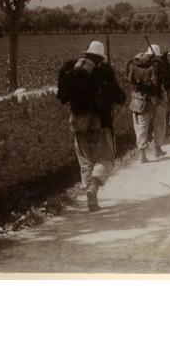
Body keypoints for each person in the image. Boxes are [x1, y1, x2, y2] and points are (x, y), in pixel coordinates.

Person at [56, 40, 126, 211]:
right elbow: (120, 97)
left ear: (86, 53)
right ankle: (94, 186)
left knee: (86, 162)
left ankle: (91, 199)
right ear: (101, 56)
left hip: (78, 123)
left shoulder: (72, 69)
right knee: (105, 159)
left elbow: (62, 95)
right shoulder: (103, 71)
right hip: (100, 123)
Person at [126, 43, 167, 163]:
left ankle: (142, 154)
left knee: (141, 127)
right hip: (156, 100)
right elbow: (164, 81)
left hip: (138, 100)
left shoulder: (134, 63)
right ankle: (157, 148)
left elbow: (129, 79)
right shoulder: (158, 65)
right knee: (159, 125)